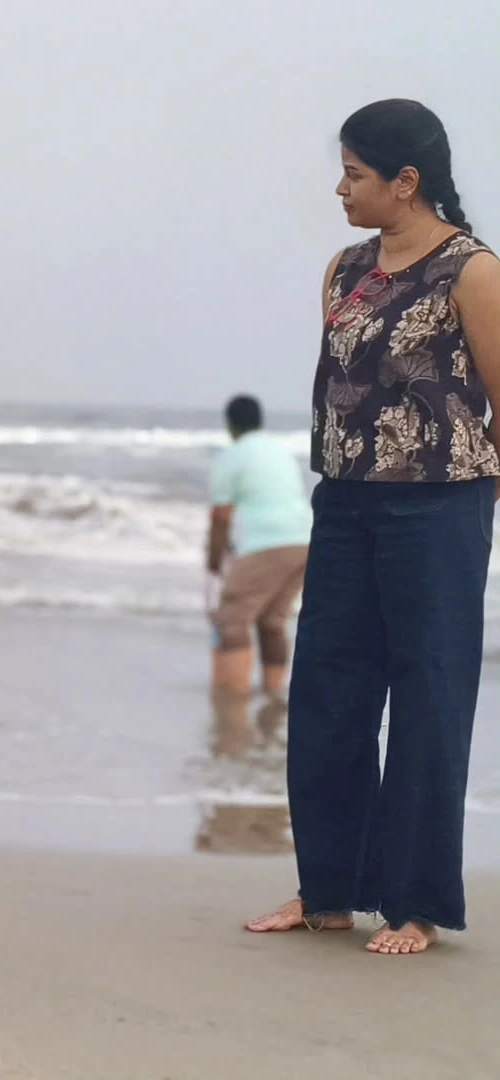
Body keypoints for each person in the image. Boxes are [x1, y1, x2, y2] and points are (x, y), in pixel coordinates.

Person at [247, 100, 500, 955]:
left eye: (355, 174)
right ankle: (328, 891)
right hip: (346, 501)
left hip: (440, 507)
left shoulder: (472, 270)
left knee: (427, 697)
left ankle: (415, 902)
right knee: (328, 692)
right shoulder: (347, 267)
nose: (341, 188)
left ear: (407, 181)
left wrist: (474, 508)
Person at [206, 395, 311, 696]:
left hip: (267, 543)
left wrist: (214, 562)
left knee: (232, 618)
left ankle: (232, 704)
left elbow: (220, 516)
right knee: (271, 620)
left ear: (230, 425)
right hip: (303, 541)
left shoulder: (233, 456)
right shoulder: (280, 451)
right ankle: (273, 697)